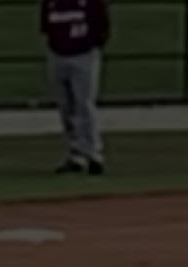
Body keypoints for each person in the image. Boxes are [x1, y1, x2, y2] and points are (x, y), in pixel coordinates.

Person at [41, 0, 110, 175]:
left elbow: (102, 24)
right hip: (58, 54)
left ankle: (95, 154)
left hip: (84, 54)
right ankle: (76, 154)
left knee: (84, 104)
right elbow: (46, 25)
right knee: (66, 107)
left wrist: (95, 46)